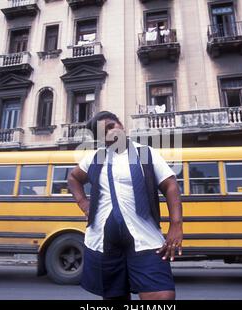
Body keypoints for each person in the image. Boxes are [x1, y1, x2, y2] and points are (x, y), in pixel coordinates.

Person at [68, 111, 183, 300]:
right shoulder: (95, 158)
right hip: (104, 243)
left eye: (113, 125)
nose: (112, 132)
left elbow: (170, 184)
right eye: (105, 131)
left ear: (121, 124)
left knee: (162, 296)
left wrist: (176, 225)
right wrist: (84, 204)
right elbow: (73, 178)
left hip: (145, 239)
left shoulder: (144, 153)